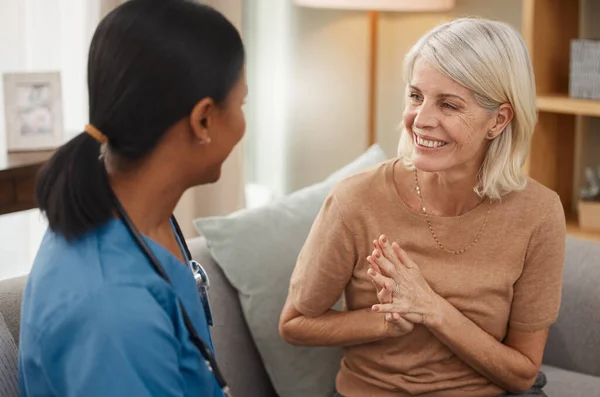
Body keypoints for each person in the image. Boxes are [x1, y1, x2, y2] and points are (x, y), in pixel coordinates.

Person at [279, 17, 565, 397]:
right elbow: (294, 324)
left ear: (498, 120)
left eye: (448, 105)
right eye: (416, 96)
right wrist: (385, 321)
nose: (422, 120)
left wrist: (431, 308)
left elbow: (522, 373)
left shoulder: (539, 214)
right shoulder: (355, 199)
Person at [18, 1, 246, 396]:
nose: (244, 123)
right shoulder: (111, 312)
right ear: (203, 120)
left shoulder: (141, 214)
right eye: (241, 104)